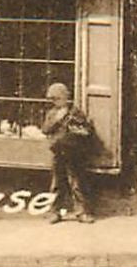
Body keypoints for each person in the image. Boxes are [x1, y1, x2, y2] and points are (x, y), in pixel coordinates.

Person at [40, 81, 95, 223]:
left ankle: (81, 212)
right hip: (58, 151)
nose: (55, 102)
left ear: (65, 97)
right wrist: (57, 120)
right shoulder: (52, 113)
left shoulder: (75, 112)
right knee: (57, 183)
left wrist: (79, 130)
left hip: (73, 151)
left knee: (76, 182)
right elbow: (45, 129)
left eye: (58, 98)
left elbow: (87, 130)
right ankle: (55, 212)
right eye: (53, 99)